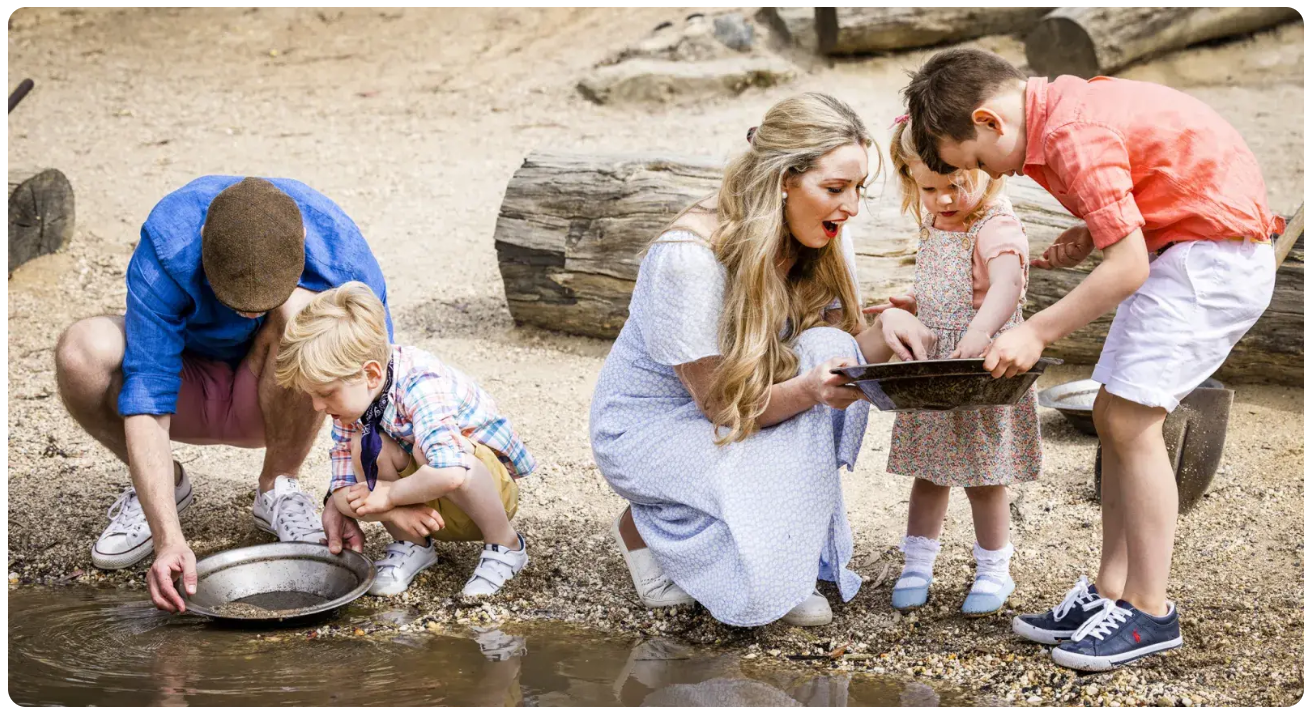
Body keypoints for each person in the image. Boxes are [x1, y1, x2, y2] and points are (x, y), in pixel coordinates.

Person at [904, 48, 1280, 670]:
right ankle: (1111, 591)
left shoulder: (1071, 133)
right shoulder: (1065, 110)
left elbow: (1128, 268)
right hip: (1185, 249)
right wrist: (1097, 229)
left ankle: (1150, 611)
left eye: (973, 160)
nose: (993, 175)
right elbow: (1147, 195)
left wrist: (1038, 333)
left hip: (1211, 261)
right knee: (1112, 414)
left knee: (1133, 422)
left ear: (990, 120)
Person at [589, 93, 939, 628]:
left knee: (826, 348)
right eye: (835, 188)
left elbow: (839, 357)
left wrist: (885, 331)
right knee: (756, 590)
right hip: (651, 429)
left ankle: (766, 549)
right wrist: (808, 392)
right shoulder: (688, 260)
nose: (850, 206)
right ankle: (652, 523)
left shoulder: (823, 234)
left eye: (857, 190)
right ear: (783, 180)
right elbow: (723, 409)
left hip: (748, 401)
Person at [55, 176, 392, 612]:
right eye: (236, 301)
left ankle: (278, 486)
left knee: (302, 317)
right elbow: (147, 394)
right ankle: (159, 487)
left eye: (259, 302)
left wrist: (355, 496)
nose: (250, 312)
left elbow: (374, 392)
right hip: (187, 385)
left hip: (279, 389)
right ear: (201, 242)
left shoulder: (341, 255)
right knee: (81, 349)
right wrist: (168, 539)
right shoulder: (169, 242)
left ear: (303, 242)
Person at [868, 115, 1040, 617]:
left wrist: (979, 334)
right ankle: (917, 563)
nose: (944, 199)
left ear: (983, 168)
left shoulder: (996, 224)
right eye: (929, 188)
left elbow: (1007, 285)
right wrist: (917, 301)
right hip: (935, 363)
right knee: (929, 472)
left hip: (982, 365)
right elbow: (951, 283)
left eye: (955, 185)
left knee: (984, 478)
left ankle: (994, 570)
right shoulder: (935, 220)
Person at [275, 282, 535, 597]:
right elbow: (344, 494)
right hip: (425, 512)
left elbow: (450, 471)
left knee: (430, 451)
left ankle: (506, 545)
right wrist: (394, 511)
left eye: (326, 394)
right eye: (312, 396)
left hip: (486, 497)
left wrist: (391, 495)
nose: (317, 407)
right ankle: (413, 546)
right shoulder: (352, 408)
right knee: (364, 445)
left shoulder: (421, 383)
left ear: (370, 374)